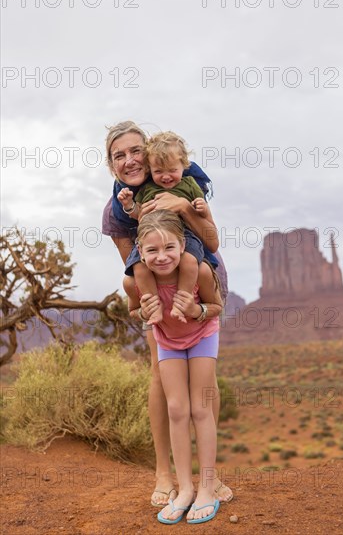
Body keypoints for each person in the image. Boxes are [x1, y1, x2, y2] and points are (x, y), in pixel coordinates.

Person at [101, 120, 233, 506]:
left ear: (150, 151)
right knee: (162, 373)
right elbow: (134, 263)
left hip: (202, 278)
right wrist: (142, 303)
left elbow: (210, 238)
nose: (129, 160)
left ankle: (209, 473)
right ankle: (166, 473)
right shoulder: (117, 209)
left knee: (205, 381)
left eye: (134, 151)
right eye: (118, 156)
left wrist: (181, 207)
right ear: (111, 166)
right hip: (157, 289)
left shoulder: (180, 180)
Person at [124, 209, 221, 524]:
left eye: (169, 248)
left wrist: (196, 308)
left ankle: (207, 486)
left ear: (183, 245)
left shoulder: (200, 272)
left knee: (200, 409)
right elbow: (133, 309)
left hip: (202, 335)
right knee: (177, 409)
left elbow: (217, 307)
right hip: (168, 341)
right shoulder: (134, 281)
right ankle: (185, 490)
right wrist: (143, 312)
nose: (162, 257)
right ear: (140, 250)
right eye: (152, 250)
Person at [117, 131, 213, 325]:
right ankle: (154, 308)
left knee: (188, 260)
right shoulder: (148, 189)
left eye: (172, 170)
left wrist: (198, 208)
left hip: (183, 234)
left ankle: (182, 300)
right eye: (159, 172)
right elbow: (139, 213)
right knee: (138, 267)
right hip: (151, 236)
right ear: (150, 170)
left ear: (183, 166)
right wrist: (129, 206)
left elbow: (202, 210)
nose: (166, 176)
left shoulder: (190, 184)